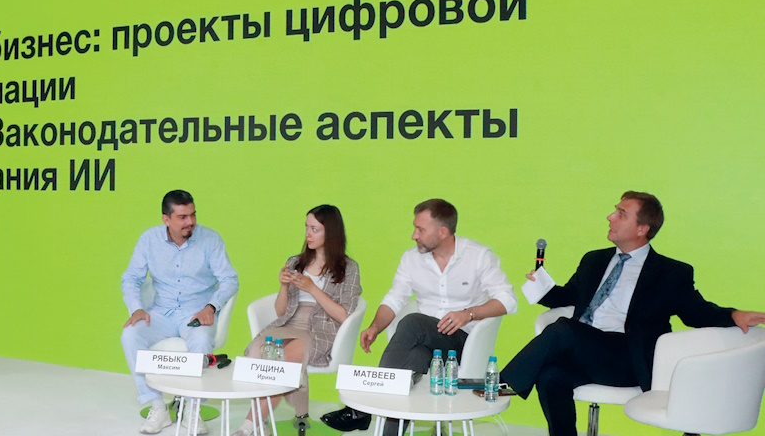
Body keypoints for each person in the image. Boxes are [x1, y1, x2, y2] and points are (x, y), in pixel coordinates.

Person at [501, 191, 765, 436]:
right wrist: (542, 288)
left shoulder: (671, 273)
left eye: (621, 214)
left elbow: (696, 312)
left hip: (626, 357)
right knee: (550, 375)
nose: (610, 217)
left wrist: (733, 315)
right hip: (585, 349)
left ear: (642, 228)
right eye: (614, 211)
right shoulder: (593, 259)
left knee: (563, 329)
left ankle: (499, 387)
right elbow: (569, 297)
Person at [321, 198, 517, 435]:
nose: (414, 235)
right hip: (425, 343)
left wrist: (469, 314)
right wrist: (375, 328)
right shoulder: (411, 259)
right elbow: (395, 299)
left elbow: (508, 300)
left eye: (420, 229)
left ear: (442, 232)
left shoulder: (478, 256)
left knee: (412, 322)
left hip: (465, 343)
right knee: (413, 359)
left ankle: (360, 412)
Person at [230, 205, 362, 436]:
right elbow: (281, 311)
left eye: (314, 229)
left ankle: (247, 427)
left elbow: (344, 315)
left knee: (280, 363)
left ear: (330, 232)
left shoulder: (348, 268)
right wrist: (283, 286)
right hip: (288, 324)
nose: (307, 234)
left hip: (321, 328)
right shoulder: (295, 262)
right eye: (306, 227)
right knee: (256, 352)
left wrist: (312, 289)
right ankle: (262, 420)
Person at [121, 190, 239, 435]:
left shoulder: (210, 240)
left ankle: (192, 408)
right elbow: (131, 278)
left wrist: (211, 307)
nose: (190, 222)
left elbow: (230, 279)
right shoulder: (149, 240)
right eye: (183, 217)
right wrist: (136, 308)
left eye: (193, 215)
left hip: (196, 313)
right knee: (130, 335)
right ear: (166, 219)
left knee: (201, 339)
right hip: (161, 311)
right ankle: (157, 406)